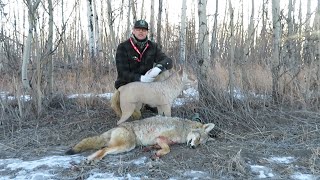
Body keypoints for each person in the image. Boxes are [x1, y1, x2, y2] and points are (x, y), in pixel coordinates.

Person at [114, 20, 173, 113]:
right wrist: (140, 78)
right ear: (133, 31)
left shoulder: (153, 46)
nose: (141, 32)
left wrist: (158, 68)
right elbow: (122, 73)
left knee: (164, 72)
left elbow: (168, 61)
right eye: (138, 29)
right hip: (128, 85)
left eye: (144, 30)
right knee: (134, 115)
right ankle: (137, 103)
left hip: (147, 84)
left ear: (147, 32)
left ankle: (154, 103)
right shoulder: (123, 47)